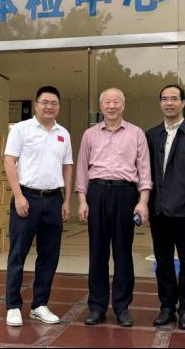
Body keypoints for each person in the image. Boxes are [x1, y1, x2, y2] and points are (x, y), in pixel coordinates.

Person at [76, 88, 152, 328]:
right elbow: (81, 169)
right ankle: (97, 307)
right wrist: (82, 200)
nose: (111, 106)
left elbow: (144, 170)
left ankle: (122, 307)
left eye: (116, 102)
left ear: (123, 105)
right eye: (107, 102)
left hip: (125, 194)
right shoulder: (90, 134)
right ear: (101, 106)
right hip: (97, 193)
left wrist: (143, 201)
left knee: (123, 252)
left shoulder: (136, 133)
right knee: (97, 252)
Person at [4, 86, 74, 327]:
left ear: (58, 107)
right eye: (45, 102)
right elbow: (9, 162)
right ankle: (13, 306)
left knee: (49, 256)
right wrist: (18, 196)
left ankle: (39, 305)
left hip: (54, 200)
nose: (49, 106)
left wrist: (67, 200)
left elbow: (67, 167)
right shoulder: (21, 129)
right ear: (36, 105)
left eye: (54, 103)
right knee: (18, 254)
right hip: (26, 198)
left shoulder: (63, 133)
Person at [146, 84, 185, 331]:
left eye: (174, 99)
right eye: (164, 99)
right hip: (159, 210)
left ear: (183, 102)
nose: (169, 103)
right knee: (162, 262)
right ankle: (166, 307)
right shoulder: (151, 135)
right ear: (160, 103)